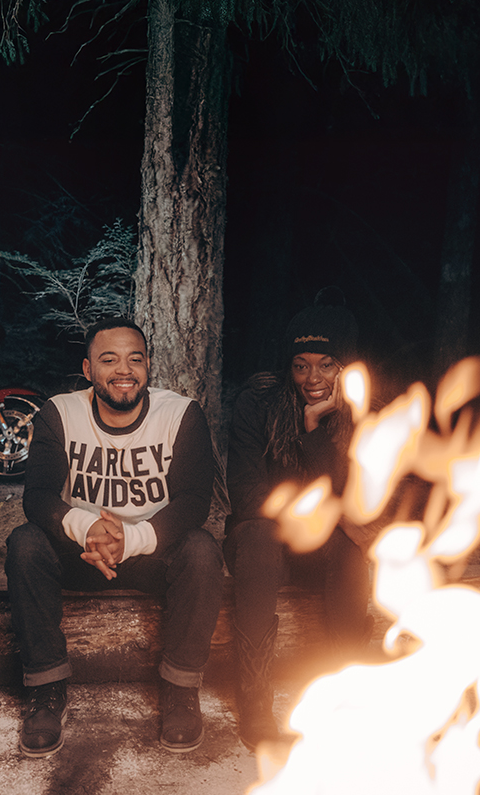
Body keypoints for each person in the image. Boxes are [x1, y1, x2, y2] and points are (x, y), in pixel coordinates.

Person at [6, 317, 224, 758]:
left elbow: (194, 500)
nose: (124, 370)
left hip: (152, 551)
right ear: (88, 369)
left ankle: (180, 690)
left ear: (147, 367)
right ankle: (47, 691)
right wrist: (86, 528)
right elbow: (39, 496)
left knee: (202, 549)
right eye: (109, 359)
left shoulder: (181, 413)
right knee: (25, 543)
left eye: (135, 359)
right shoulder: (60, 411)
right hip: (83, 553)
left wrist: (135, 537)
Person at [224, 288, 371, 750]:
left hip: (322, 547)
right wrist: (304, 432)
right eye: (301, 364)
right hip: (261, 545)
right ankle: (254, 700)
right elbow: (248, 496)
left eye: (326, 364)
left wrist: (313, 438)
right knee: (261, 535)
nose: (312, 377)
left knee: (350, 553)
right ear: (287, 367)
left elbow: (355, 503)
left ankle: (348, 700)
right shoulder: (257, 404)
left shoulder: (365, 415)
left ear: (345, 367)